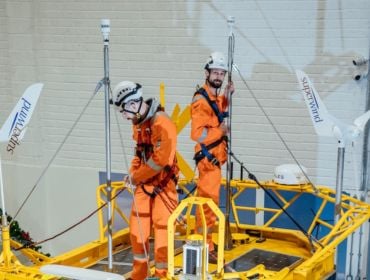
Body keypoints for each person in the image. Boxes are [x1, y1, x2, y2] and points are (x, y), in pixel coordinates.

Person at [112, 81, 179, 279]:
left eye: (124, 111)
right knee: (137, 231)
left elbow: (160, 161)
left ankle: (162, 274)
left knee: (162, 231)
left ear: (133, 105)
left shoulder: (162, 123)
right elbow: (139, 153)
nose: (124, 117)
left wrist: (136, 176)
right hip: (144, 183)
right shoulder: (139, 124)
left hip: (164, 186)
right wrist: (132, 172)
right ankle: (139, 274)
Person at [190, 52, 234, 263]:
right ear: (207, 73)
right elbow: (197, 134)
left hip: (215, 159)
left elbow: (216, 113)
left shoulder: (213, 95)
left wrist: (227, 95)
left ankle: (206, 241)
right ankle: (205, 246)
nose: (218, 76)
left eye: (222, 73)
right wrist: (221, 133)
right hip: (209, 160)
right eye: (215, 72)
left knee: (209, 204)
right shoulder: (201, 100)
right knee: (208, 205)